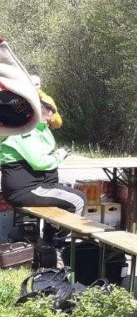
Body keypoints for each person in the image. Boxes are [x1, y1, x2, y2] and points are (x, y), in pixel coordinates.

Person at [0, 91, 81, 266]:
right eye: (48, 108)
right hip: (25, 189)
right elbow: (40, 162)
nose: (53, 113)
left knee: (71, 197)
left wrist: (45, 129)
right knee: (76, 201)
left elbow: (46, 149)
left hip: (37, 185)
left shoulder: (36, 128)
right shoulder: (20, 131)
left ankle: (50, 244)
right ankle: (58, 247)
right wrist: (59, 156)